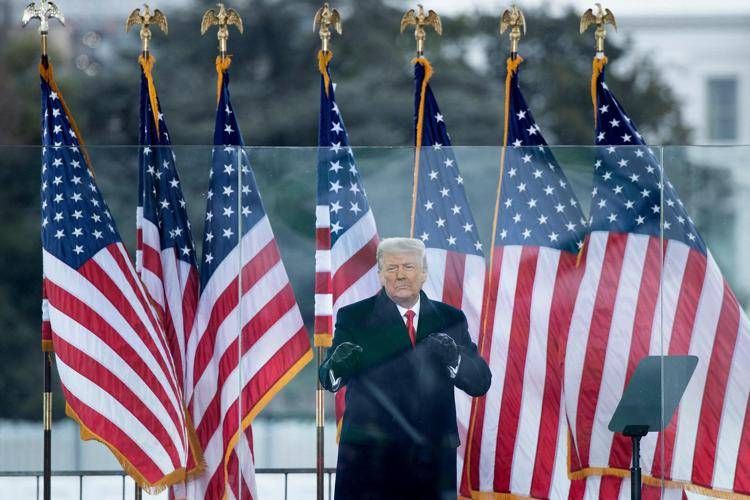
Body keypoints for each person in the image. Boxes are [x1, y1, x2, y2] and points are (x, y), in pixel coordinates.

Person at [319, 237, 491, 500]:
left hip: (431, 460)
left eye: (408, 267)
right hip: (369, 460)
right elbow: (329, 379)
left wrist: (455, 358)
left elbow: (480, 382)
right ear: (380, 274)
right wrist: (336, 365)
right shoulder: (354, 317)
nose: (400, 275)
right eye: (391, 268)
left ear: (423, 273)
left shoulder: (450, 318)